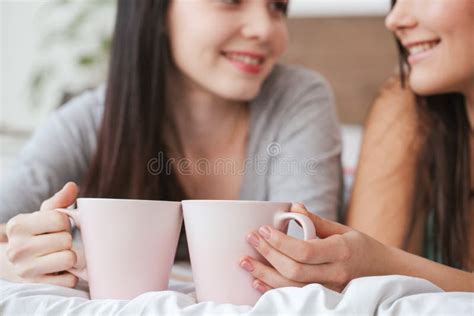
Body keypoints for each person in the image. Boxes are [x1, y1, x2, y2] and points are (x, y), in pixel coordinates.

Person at [0, 0, 342, 288]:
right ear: (157, 11)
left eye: (277, 6)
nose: (265, 29)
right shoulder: (90, 120)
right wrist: (14, 259)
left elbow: (309, 256)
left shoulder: (298, 99)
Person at [240, 0, 474, 292]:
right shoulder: (408, 109)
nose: (394, 19)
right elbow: (363, 288)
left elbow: (374, 267)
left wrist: (389, 264)